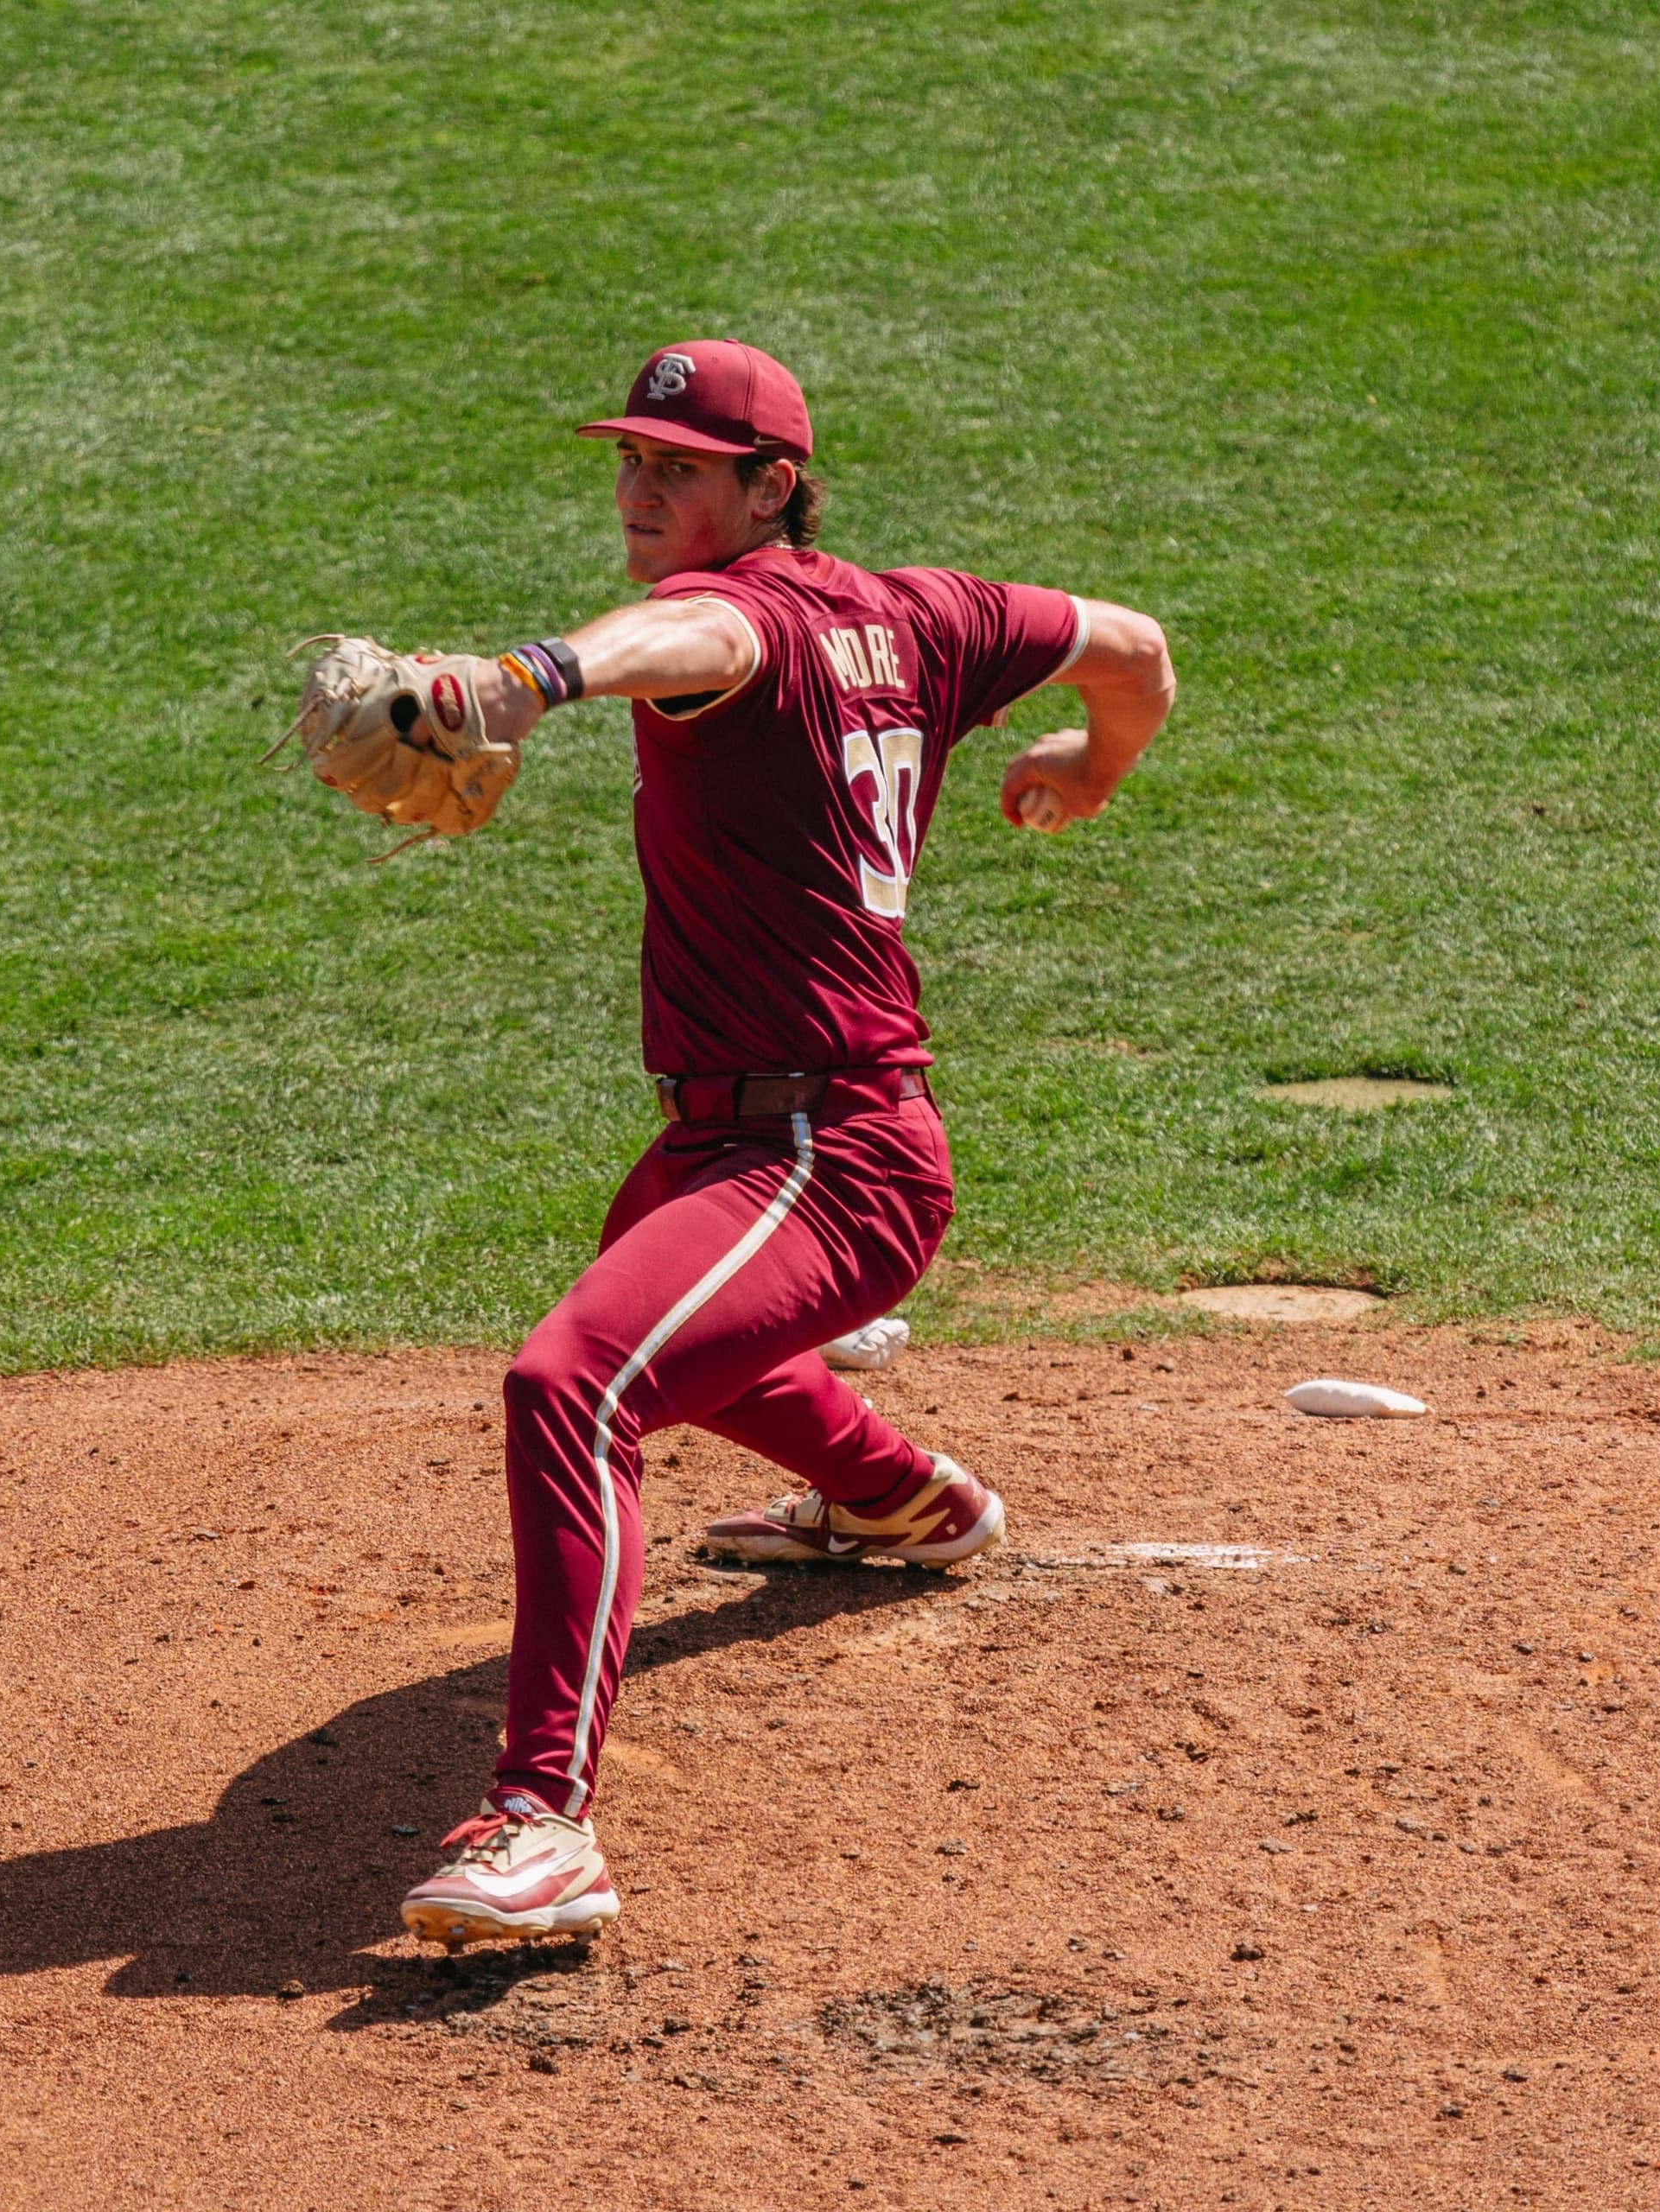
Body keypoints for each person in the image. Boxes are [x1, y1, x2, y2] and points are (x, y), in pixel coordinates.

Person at [388, 340, 1178, 1948]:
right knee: (664, 1322)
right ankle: (903, 1503)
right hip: (751, 1141)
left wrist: (524, 679)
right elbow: (1137, 648)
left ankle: (546, 1827)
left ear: (772, 488)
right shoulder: (932, 614)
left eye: (678, 470)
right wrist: (1093, 765)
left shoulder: (733, 621)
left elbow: (691, 636)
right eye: (630, 460)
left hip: (828, 1154)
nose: (637, 491)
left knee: (572, 1382)